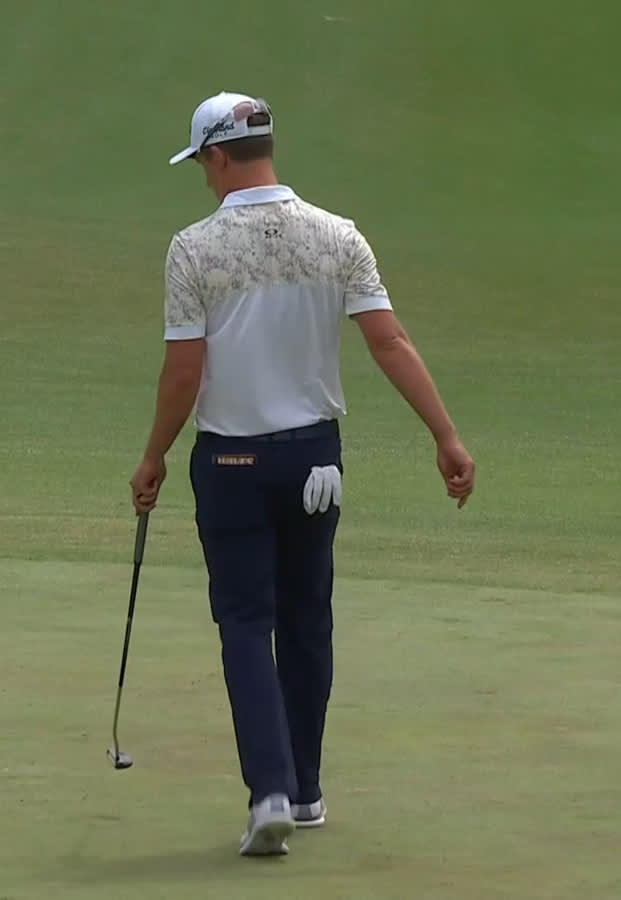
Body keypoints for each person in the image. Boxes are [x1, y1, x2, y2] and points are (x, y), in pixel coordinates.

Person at [128, 91, 476, 857]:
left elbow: (184, 374)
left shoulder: (193, 248)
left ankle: (271, 794)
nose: (204, 177)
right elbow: (390, 341)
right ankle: (307, 789)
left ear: (218, 156)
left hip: (231, 462)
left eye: (202, 164)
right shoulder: (337, 235)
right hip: (315, 459)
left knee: (246, 622)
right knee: (307, 616)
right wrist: (445, 436)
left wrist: (153, 457)